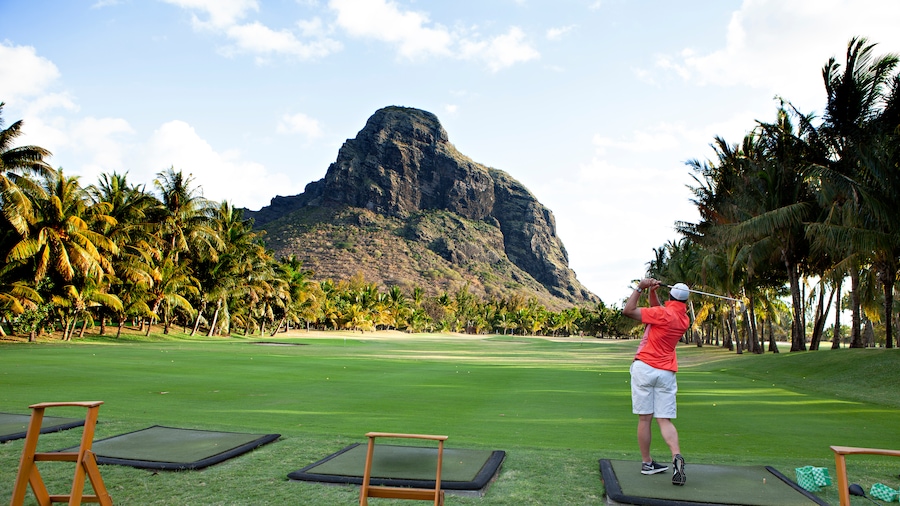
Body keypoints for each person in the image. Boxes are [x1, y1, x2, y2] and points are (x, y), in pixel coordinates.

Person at [622, 278, 690, 486]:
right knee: (664, 420)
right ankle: (676, 456)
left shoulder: (662, 314)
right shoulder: (683, 319)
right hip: (666, 373)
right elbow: (659, 312)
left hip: (645, 368)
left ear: (670, 296)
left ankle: (647, 463)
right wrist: (653, 293)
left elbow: (628, 311)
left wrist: (640, 288)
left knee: (645, 419)